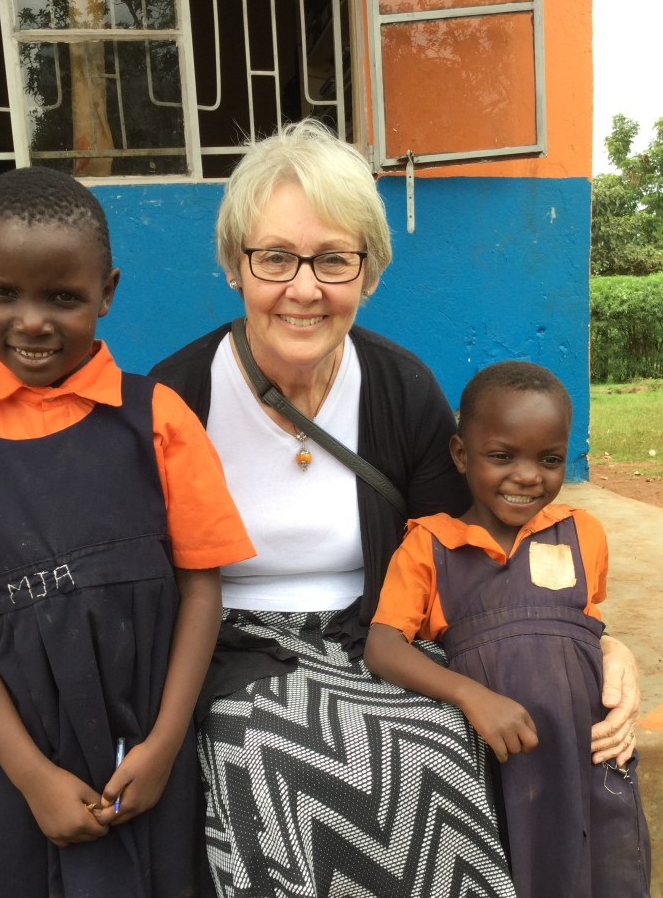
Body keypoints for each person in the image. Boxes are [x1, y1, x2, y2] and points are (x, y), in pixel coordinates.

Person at [149, 120, 641, 897]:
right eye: (274, 257)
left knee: (441, 739)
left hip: (373, 634)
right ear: (235, 266)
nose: (304, 288)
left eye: (333, 259)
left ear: (368, 272)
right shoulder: (176, 396)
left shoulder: (398, 387)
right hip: (228, 649)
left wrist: (597, 642)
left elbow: (473, 545)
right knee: (273, 752)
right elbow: (114, 561)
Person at [0, 167, 255, 898]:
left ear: (107, 291)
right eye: (3, 293)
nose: (32, 322)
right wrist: (31, 776)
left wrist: (165, 745)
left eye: (62, 297)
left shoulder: (156, 421)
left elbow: (201, 591)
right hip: (23, 756)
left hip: (147, 749)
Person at [365, 360, 651, 898]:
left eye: (549, 459)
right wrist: (471, 695)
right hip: (496, 755)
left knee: (604, 866)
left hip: (586, 749)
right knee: (512, 868)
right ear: (460, 454)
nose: (527, 476)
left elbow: (588, 627)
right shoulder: (430, 546)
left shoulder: (581, 532)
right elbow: (382, 646)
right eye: (501, 456)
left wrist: (617, 665)